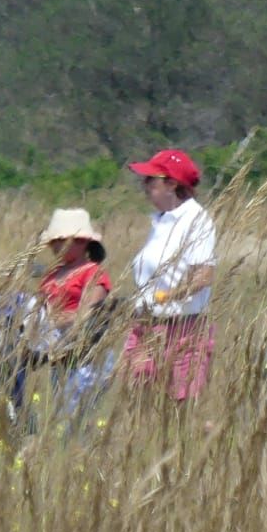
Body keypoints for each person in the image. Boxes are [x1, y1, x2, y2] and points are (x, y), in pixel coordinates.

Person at [124, 149, 217, 401]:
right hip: (146, 327)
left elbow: (203, 276)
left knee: (177, 408)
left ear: (172, 184)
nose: (145, 186)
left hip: (182, 329)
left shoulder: (195, 220)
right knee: (138, 406)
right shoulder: (161, 221)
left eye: (151, 180)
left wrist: (166, 296)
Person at [36, 208, 116, 418]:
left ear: (81, 242)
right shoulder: (50, 276)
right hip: (59, 356)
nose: (54, 246)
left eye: (60, 240)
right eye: (53, 241)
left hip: (87, 357)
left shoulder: (93, 273)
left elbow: (86, 314)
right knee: (61, 416)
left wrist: (52, 321)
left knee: (78, 419)